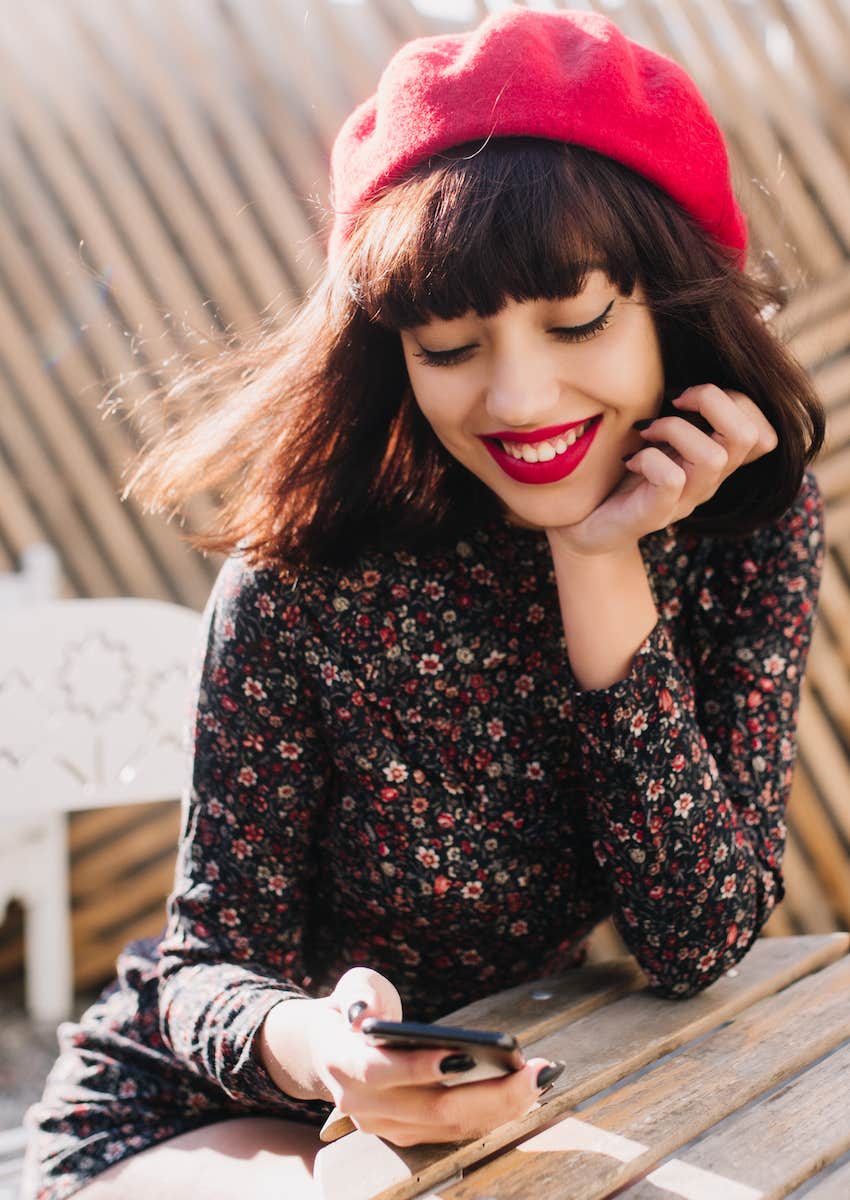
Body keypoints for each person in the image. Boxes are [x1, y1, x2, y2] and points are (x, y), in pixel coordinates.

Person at [22, 6, 826, 1198]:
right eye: (447, 344)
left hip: (491, 1113)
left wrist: (597, 561)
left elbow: (696, 938)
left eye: (577, 321)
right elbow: (202, 966)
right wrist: (332, 1053)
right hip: (207, 1112)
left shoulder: (745, 533)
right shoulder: (307, 582)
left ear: (672, 303)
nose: (516, 395)